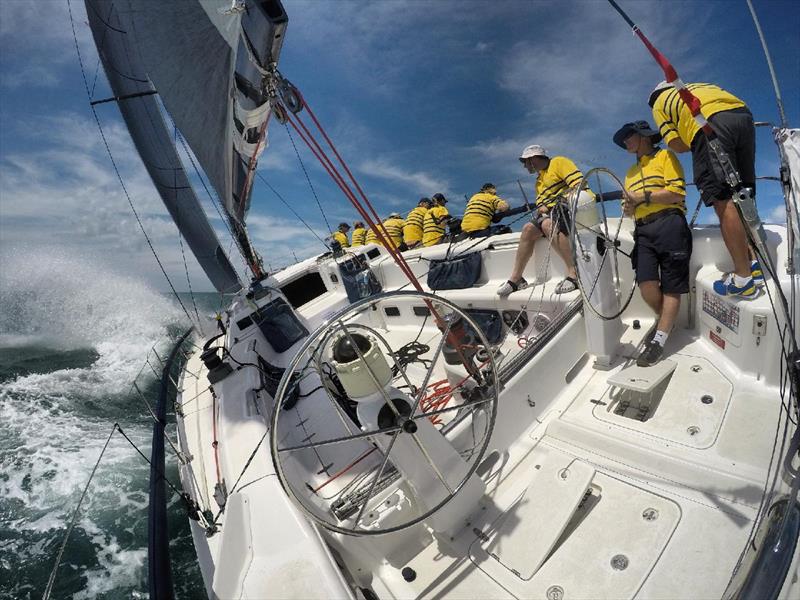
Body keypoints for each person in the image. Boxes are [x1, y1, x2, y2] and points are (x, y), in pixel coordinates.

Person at [649, 80, 761, 298]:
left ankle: (743, 280)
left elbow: (675, 144)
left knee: (723, 198)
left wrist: (692, 141)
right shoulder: (696, 86)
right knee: (743, 194)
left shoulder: (659, 104)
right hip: (743, 116)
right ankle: (754, 262)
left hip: (709, 124)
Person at [614, 120, 691, 367]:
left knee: (671, 286)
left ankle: (659, 340)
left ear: (644, 137)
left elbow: (677, 193)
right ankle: (666, 323)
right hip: (643, 230)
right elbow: (628, 209)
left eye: (629, 135)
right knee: (645, 283)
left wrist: (642, 197)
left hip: (670, 222)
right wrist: (628, 207)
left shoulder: (666, 157)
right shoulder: (630, 173)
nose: (625, 141)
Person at [497, 145, 583, 296]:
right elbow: (541, 204)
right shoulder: (538, 180)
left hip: (570, 210)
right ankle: (516, 279)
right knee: (527, 229)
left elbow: (579, 185)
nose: (524, 166)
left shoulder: (559, 162)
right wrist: (542, 208)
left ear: (533, 159)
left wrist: (557, 202)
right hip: (551, 215)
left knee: (547, 224)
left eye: (525, 162)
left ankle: (574, 273)